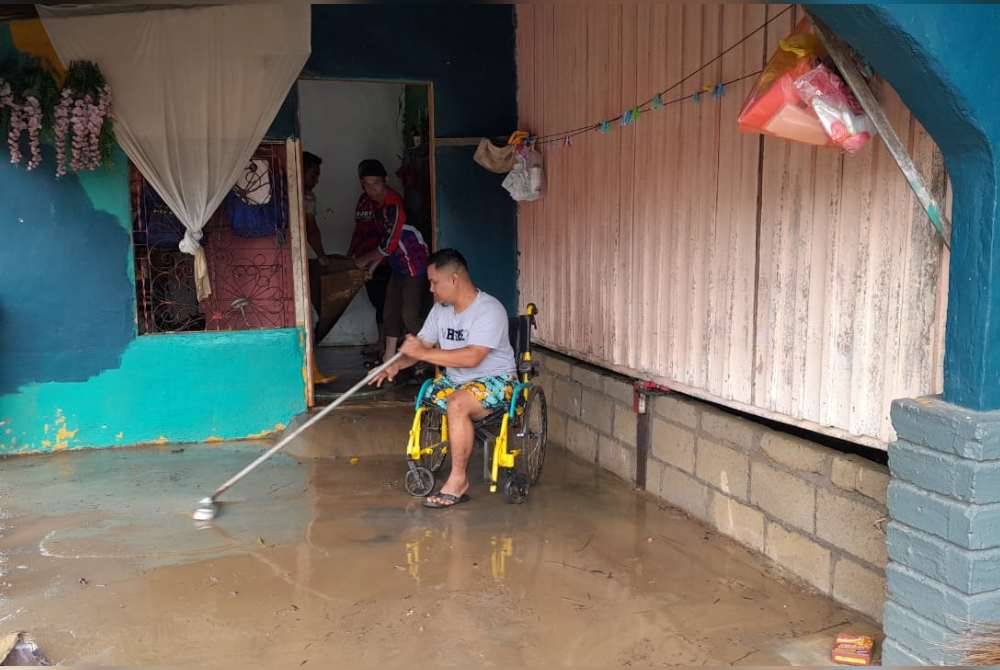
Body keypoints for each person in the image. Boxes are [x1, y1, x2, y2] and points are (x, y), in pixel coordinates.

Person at [372, 249, 516, 509]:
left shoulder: (489, 310)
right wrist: (395, 365)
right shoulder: (440, 311)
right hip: (457, 382)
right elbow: (422, 346)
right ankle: (430, 460)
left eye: (434, 282)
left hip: (495, 381)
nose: (430, 289)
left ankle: (458, 480)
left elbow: (473, 357)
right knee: (428, 396)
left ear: (454, 279)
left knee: (457, 404)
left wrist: (424, 353)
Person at [351, 159, 429, 367]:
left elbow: (388, 244)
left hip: (414, 263)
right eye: (367, 184)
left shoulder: (393, 205)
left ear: (385, 181)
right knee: (389, 312)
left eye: (376, 183)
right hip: (397, 264)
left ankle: (430, 360)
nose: (371, 189)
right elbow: (385, 248)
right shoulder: (373, 204)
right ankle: (389, 360)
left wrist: (362, 262)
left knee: (409, 315)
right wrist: (371, 267)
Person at [302, 150, 335, 384]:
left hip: (303, 259)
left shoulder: (292, 193)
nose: (317, 179)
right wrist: (322, 256)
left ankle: (311, 370)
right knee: (311, 316)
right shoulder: (306, 197)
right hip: (307, 260)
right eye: (314, 174)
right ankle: (311, 372)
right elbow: (311, 230)